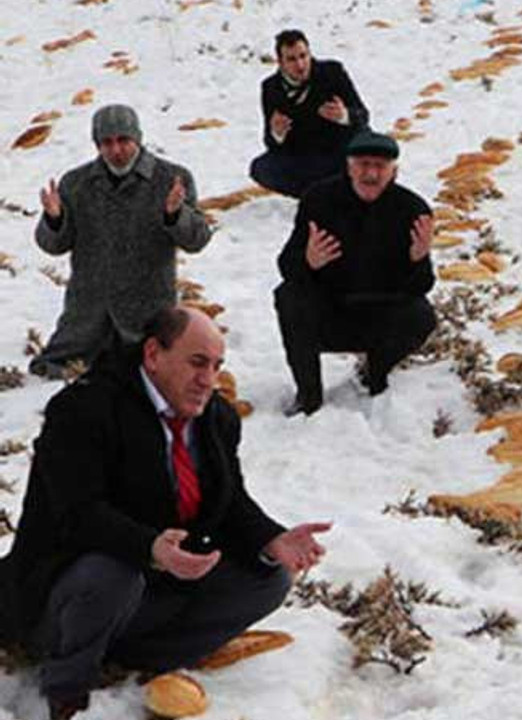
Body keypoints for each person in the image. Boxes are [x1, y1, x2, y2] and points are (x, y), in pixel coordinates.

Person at [0, 307, 331, 720]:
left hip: (156, 588)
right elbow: (78, 515)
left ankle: (137, 658)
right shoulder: (84, 409)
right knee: (113, 573)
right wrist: (150, 548)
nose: (208, 379)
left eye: (216, 366)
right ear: (154, 355)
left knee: (269, 579)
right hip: (63, 596)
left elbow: (228, 502)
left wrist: (271, 539)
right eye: (197, 363)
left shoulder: (216, 416)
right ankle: (69, 692)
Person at [28, 104, 211, 379]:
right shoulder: (75, 183)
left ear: (137, 138)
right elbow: (53, 244)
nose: (116, 150)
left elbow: (197, 240)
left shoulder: (172, 179)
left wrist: (175, 215)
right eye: (107, 142)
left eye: (123, 140)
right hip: (86, 317)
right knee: (54, 374)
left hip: (148, 315)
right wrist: (55, 219)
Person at [273, 130, 437, 416]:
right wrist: (309, 261)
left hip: (379, 314)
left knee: (421, 315)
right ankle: (308, 395)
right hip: (329, 312)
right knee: (289, 297)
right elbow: (287, 267)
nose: (371, 174)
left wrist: (418, 260)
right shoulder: (318, 200)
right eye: (363, 164)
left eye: (380, 167)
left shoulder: (412, 209)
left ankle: (376, 373)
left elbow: (420, 287)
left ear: (393, 171)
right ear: (349, 166)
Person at [248, 29, 370, 198]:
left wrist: (344, 115)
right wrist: (277, 133)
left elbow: (363, 116)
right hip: (307, 156)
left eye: (303, 56)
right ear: (280, 62)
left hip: (341, 147)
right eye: (291, 59)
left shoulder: (332, 72)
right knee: (261, 168)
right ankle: (319, 193)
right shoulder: (271, 88)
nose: (300, 65)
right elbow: (271, 144)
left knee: (368, 150)